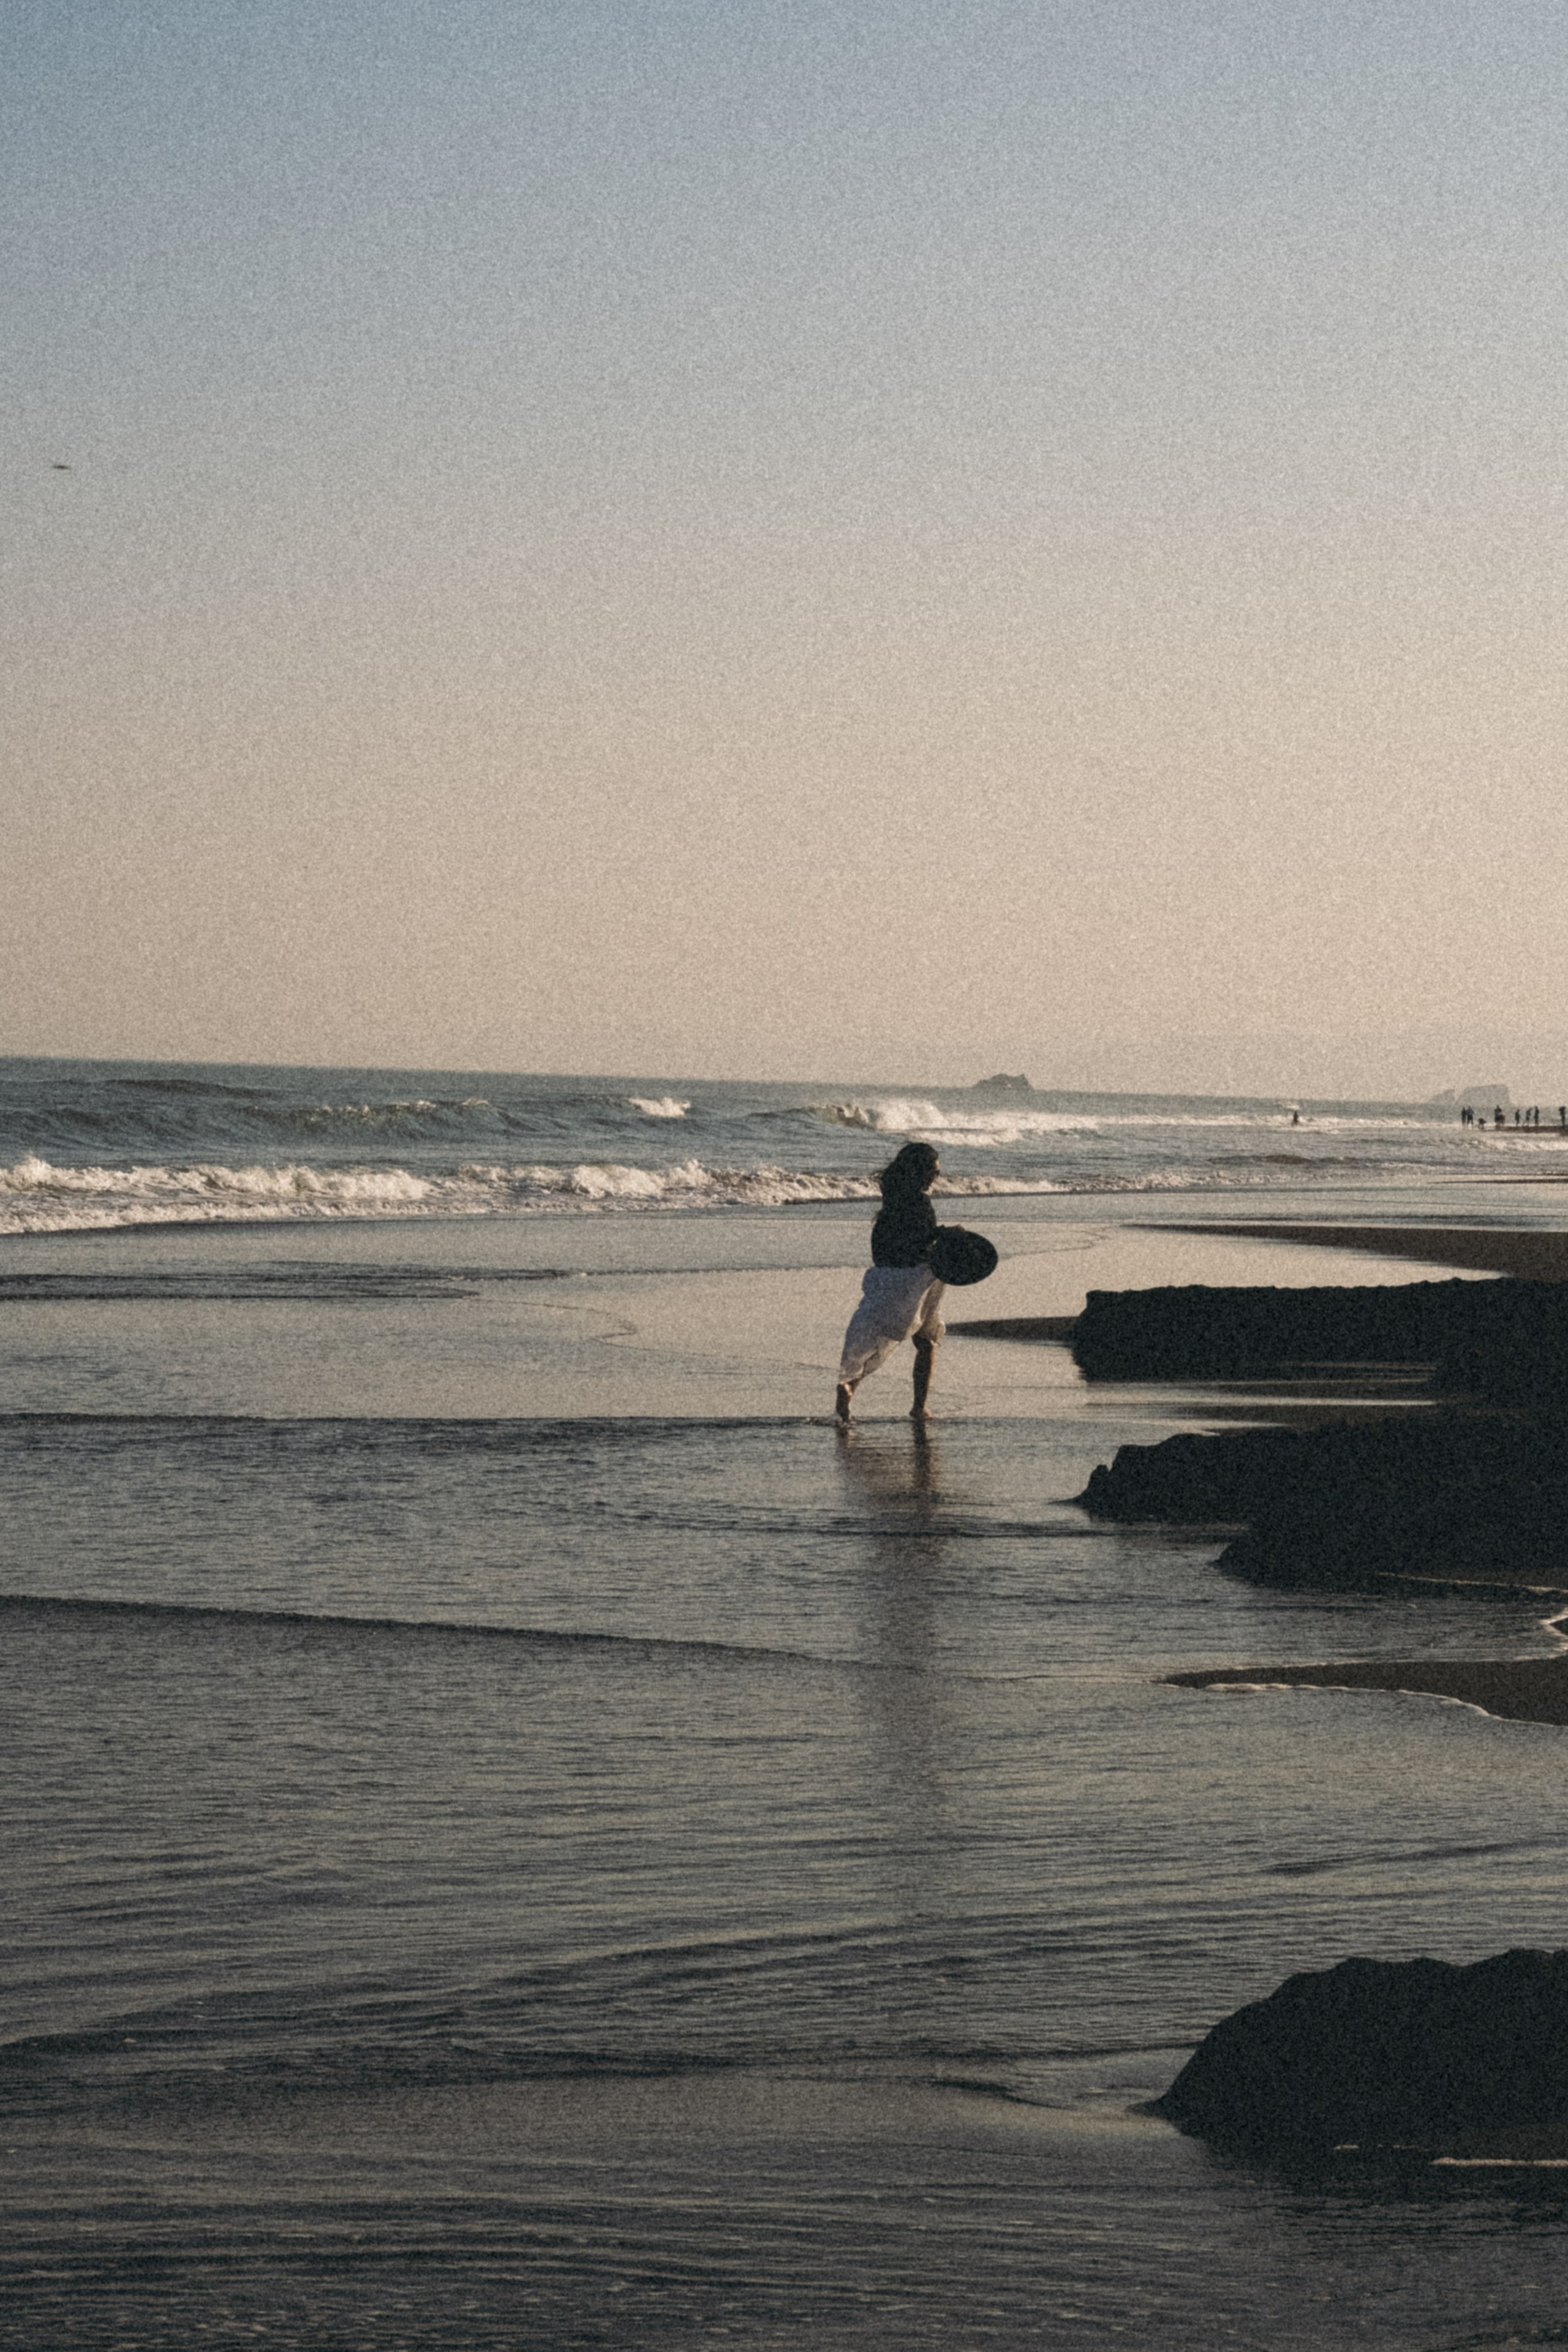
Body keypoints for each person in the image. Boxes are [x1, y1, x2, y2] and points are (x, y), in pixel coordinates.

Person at [835, 1141, 947, 1423]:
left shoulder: (892, 1200)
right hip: (914, 1279)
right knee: (926, 1341)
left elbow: (883, 1246)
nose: (935, 1178)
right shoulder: (920, 1202)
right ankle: (919, 1407)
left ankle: (847, 1392)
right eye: (932, 1173)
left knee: (872, 1338)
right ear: (918, 1172)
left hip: (885, 1278)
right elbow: (922, 1241)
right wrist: (947, 1234)